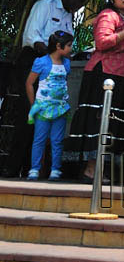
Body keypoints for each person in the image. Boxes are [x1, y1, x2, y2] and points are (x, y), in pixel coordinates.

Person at [1, 0, 88, 178]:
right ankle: (12, 167)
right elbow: (32, 35)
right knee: (29, 113)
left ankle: (31, 167)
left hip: (54, 68)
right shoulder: (45, 5)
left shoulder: (69, 16)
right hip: (34, 60)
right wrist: (50, 53)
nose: (80, 4)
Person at [65, 0, 124, 180]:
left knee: (112, 123)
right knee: (99, 122)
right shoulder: (108, 15)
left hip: (120, 74)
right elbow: (101, 42)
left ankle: (99, 169)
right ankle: (91, 169)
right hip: (104, 74)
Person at [25, 31, 73, 180]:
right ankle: (34, 169)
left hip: (60, 108)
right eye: (69, 45)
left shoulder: (66, 63)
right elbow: (29, 83)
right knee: (39, 139)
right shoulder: (41, 62)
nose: (71, 48)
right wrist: (34, 104)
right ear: (59, 46)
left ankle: (55, 169)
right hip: (43, 108)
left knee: (57, 140)